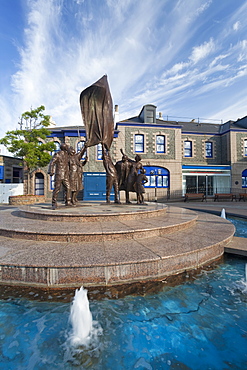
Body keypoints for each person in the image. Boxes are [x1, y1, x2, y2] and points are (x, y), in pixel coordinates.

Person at [48, 143, 71, 209]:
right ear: (64, 147)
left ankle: (67, 201)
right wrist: (51, 171)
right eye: (67, 147)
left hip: (66, 175)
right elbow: (52, 162)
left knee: (68, 188)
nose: (67, 148)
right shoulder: (57, 154)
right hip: (59, 174)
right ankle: (54, 203)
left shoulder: (67, 154)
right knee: (57, 189)